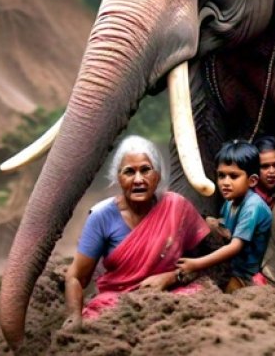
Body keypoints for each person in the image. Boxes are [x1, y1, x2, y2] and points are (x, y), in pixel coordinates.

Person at [63, 135, 209, 328]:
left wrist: (171, 277)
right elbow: (75, 276)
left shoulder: (176, 206)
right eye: (129, 172)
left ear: (157, 176)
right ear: (118, 178)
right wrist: (74, 316)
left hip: (172, 296)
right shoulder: (101, 216)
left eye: (146, 170)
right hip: (117, 302)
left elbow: (203, 261)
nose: (138, 179)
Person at [176, 140, 272, 293]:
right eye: (221, 176)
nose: (225, 182)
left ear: (252, 180)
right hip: (228, 265)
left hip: (243, 274)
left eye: (233, 176)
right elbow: (225, 230)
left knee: (200, 290)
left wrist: (197, 264)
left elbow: (234, 247)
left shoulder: (252, 207)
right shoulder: (230, 202)